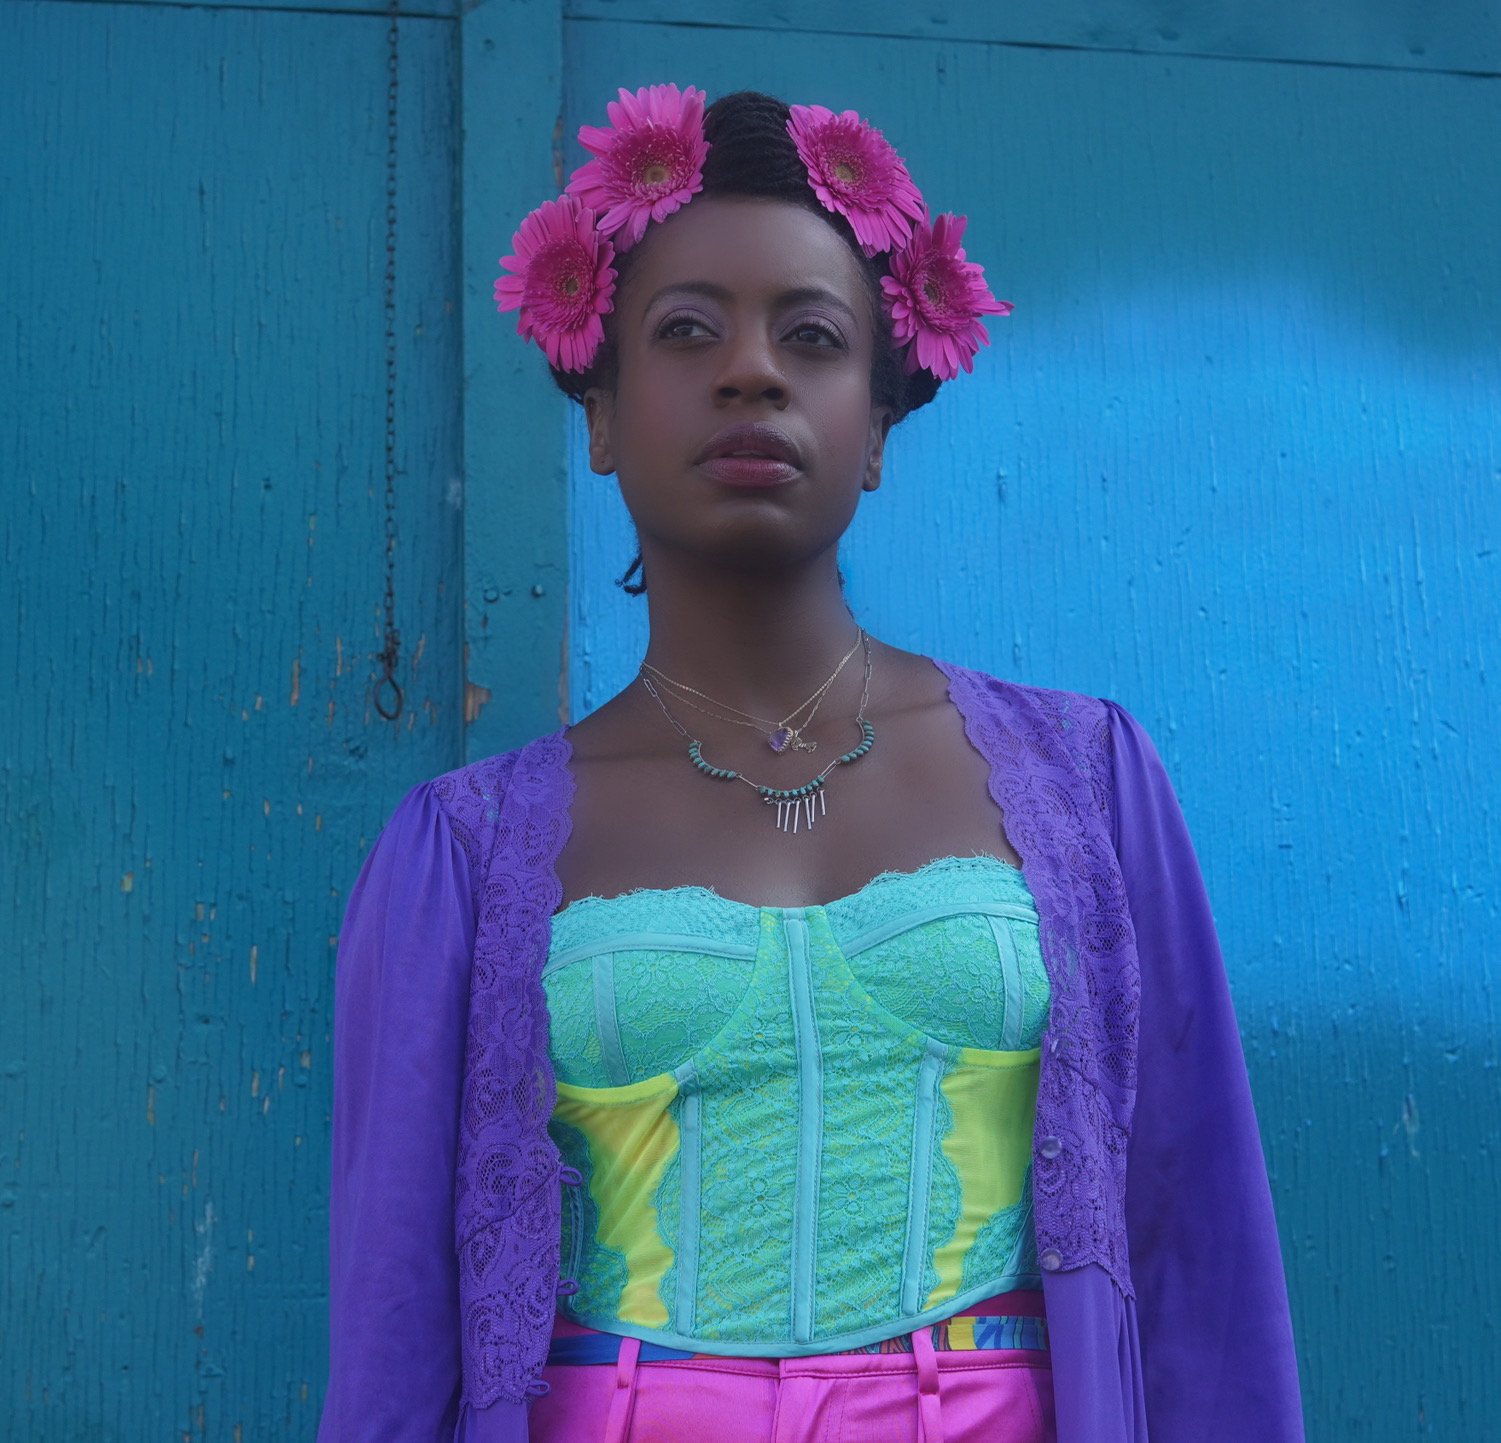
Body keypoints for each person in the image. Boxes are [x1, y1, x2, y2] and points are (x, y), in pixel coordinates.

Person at [318, 87, 1304, 1443]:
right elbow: (391, 1330)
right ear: (599, 414)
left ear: (879, 425)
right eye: (686, 330)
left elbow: (1199, 1255)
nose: (751, 372)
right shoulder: (464, 853)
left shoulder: (1084, 781)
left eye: (812, 336)